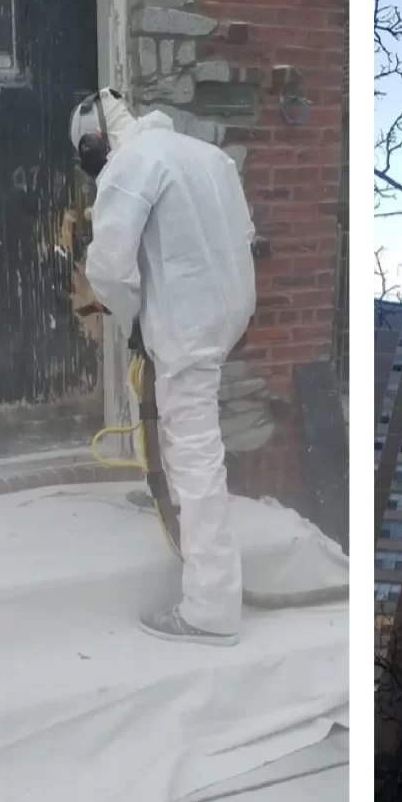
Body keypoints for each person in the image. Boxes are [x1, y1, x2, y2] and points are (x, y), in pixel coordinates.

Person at [72, 89, 258, 646]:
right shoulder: (207, 156)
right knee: (180, 428)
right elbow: (242, 238)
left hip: (187, 325)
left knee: (196, 449)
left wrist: (131, 312)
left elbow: (108, 268)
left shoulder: (128, 167)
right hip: (223, 314)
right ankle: (162, 487)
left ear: (94, 143)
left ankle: (211, 607)